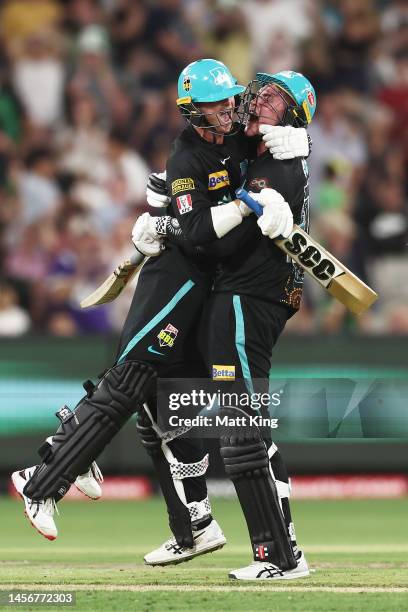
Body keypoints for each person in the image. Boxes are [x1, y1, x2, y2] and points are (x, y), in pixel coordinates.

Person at [11, 61, 310, 573]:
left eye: (233, 100)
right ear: (195, 113)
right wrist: (171, 217)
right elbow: (195, 231)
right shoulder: (188, 151)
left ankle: (191, 523)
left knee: (165, 402)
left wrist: (298, 156)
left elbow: (264, 154)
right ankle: (48, 474)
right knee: (133, 380)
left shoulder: (239, 132)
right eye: (219, 104)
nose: (233, 108)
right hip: (176, 276)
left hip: (209, 287)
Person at [135, 69, 316, 581]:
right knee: (236, 425)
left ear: (295, 116)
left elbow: (220, 240)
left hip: (247, 297)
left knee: (243, 430)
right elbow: (206, 162)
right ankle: (277, 547)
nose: (260, 101)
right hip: (247, 297)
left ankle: (279, 556)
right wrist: (167, 207)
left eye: (276, 100)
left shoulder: (279, 162)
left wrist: (177, 226)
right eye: (262, 93)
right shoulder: (269, 152)